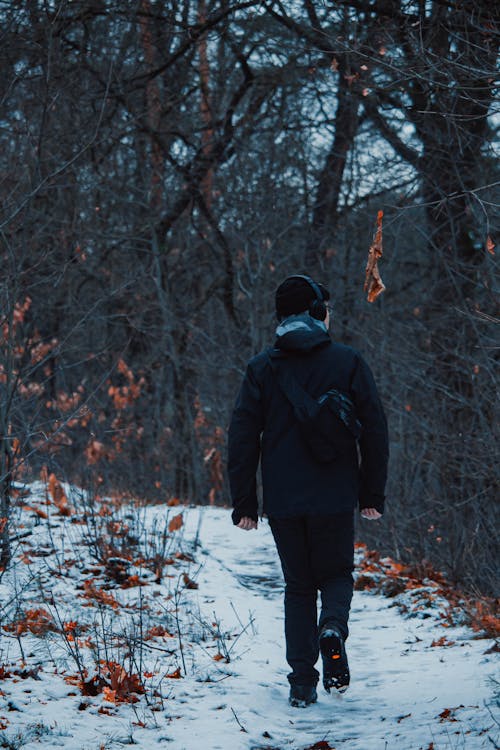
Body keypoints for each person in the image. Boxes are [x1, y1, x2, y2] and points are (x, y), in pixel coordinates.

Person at [227, 274, 389, 707]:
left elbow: (242, 438)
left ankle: (302, 684)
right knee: (335, 576)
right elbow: (375, 431)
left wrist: (245, 502)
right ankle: (332, 628)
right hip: (334, 497)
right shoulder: (348, 361)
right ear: (317, 313)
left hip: (283, 500)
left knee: (298, 587)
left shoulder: (262, 368)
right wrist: (371, 494)